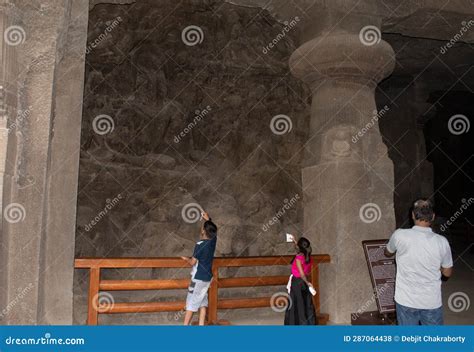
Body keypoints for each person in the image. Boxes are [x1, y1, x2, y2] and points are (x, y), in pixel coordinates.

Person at [385, 198, 453, 325]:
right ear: (433, 217)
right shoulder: (441, 241)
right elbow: (447, 273)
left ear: (412, 215)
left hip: (406, 300)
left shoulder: (399, 235)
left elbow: (388, 252)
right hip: (431, 301)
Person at [181, 211, 217, 325]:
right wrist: (208, 219)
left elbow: (192, 262)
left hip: (198, 278)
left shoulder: (200, 244)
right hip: (207, 278)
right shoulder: (213, 242)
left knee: (191, 303)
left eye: (202, 227)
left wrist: (186, 258)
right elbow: (213, 232)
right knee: (202, 302)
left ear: (203, 231)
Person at [284, 235, 318, 325]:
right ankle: (309, 323)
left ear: (300, 247)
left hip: (297, 282)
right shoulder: (308, 256)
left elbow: (301, 274)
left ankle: (296, 324)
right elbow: (305, 273)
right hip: (303, 282)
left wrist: (308, 283)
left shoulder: (299, 257)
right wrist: (295, 241)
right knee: (306, 303)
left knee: (296, 304)